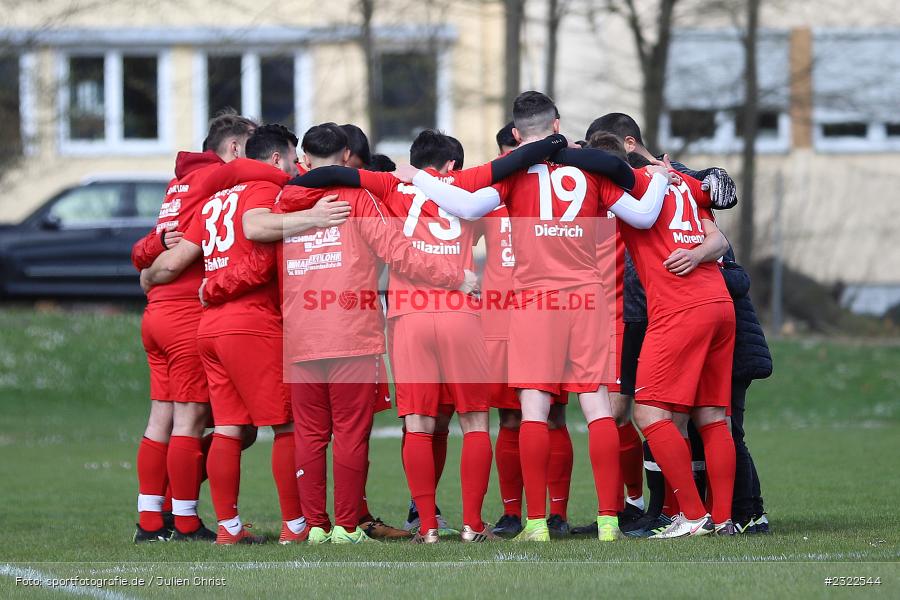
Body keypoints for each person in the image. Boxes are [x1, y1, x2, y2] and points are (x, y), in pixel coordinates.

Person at [405, 91, 674, 542]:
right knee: (597, 407)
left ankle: (535, 523)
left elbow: (465, 205)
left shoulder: (513, 173)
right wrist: (662, 177)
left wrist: (417, 178)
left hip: (535, 300)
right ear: (558, 125)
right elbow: (645, 216)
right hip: (587, 298)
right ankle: (610, 521)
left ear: (515, 134)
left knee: (534, 410)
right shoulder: (591, 169)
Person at [279, 123, 477, 544]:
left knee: (309, 434)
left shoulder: (284, 200)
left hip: (301, 331)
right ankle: (347, 527)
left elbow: (254, 233)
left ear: (305, 159)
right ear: (348, 156)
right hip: (350, 328)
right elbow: (399, 252)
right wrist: (454, 276)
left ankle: (315, 526)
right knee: (350, 431)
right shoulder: (357, 197)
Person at [140, 124, 306, 545]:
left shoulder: (212, 198)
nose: (296, 165)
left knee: (229, 427)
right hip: (248, 322)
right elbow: (262, 261)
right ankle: (294, 525)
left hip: (207, 326)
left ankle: (225, 527)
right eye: (292, 157)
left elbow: (173, 256)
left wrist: (148, 273)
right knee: (284, 425)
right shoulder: (264, 193)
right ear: (273, 159)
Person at [130, 109, 256, 543]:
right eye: (252, 151)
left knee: (161, 417)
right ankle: (183, 521)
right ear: (236, 148)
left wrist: (150, 261)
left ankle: (150, 520)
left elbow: (146, 248)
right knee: (192, 418)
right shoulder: (216, 178)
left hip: (157, 312)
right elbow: (269, 177)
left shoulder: (179, 183)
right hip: (186, 311)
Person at [719, 245, 773, 533]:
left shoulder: (723, 269)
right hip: (737, 355)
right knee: (732, 434)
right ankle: (752, 511)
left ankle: (746, 511)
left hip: (736, 357)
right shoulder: (722, 259)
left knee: (731, 435)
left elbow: (738, 281)